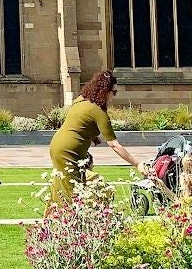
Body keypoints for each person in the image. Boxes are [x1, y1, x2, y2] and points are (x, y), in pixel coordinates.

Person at [47, 70, 140, 207]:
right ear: (105, 91)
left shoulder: (80, 100)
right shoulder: (99, 112)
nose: (113, 96)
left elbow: (80, 121)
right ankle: (72, 223)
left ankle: (50, 223)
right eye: (113, 92)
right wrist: (137, 164)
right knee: (72, 193)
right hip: (69, 152)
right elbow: (114, 145)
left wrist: (93, 136)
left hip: (57, 145)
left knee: (60, 188)